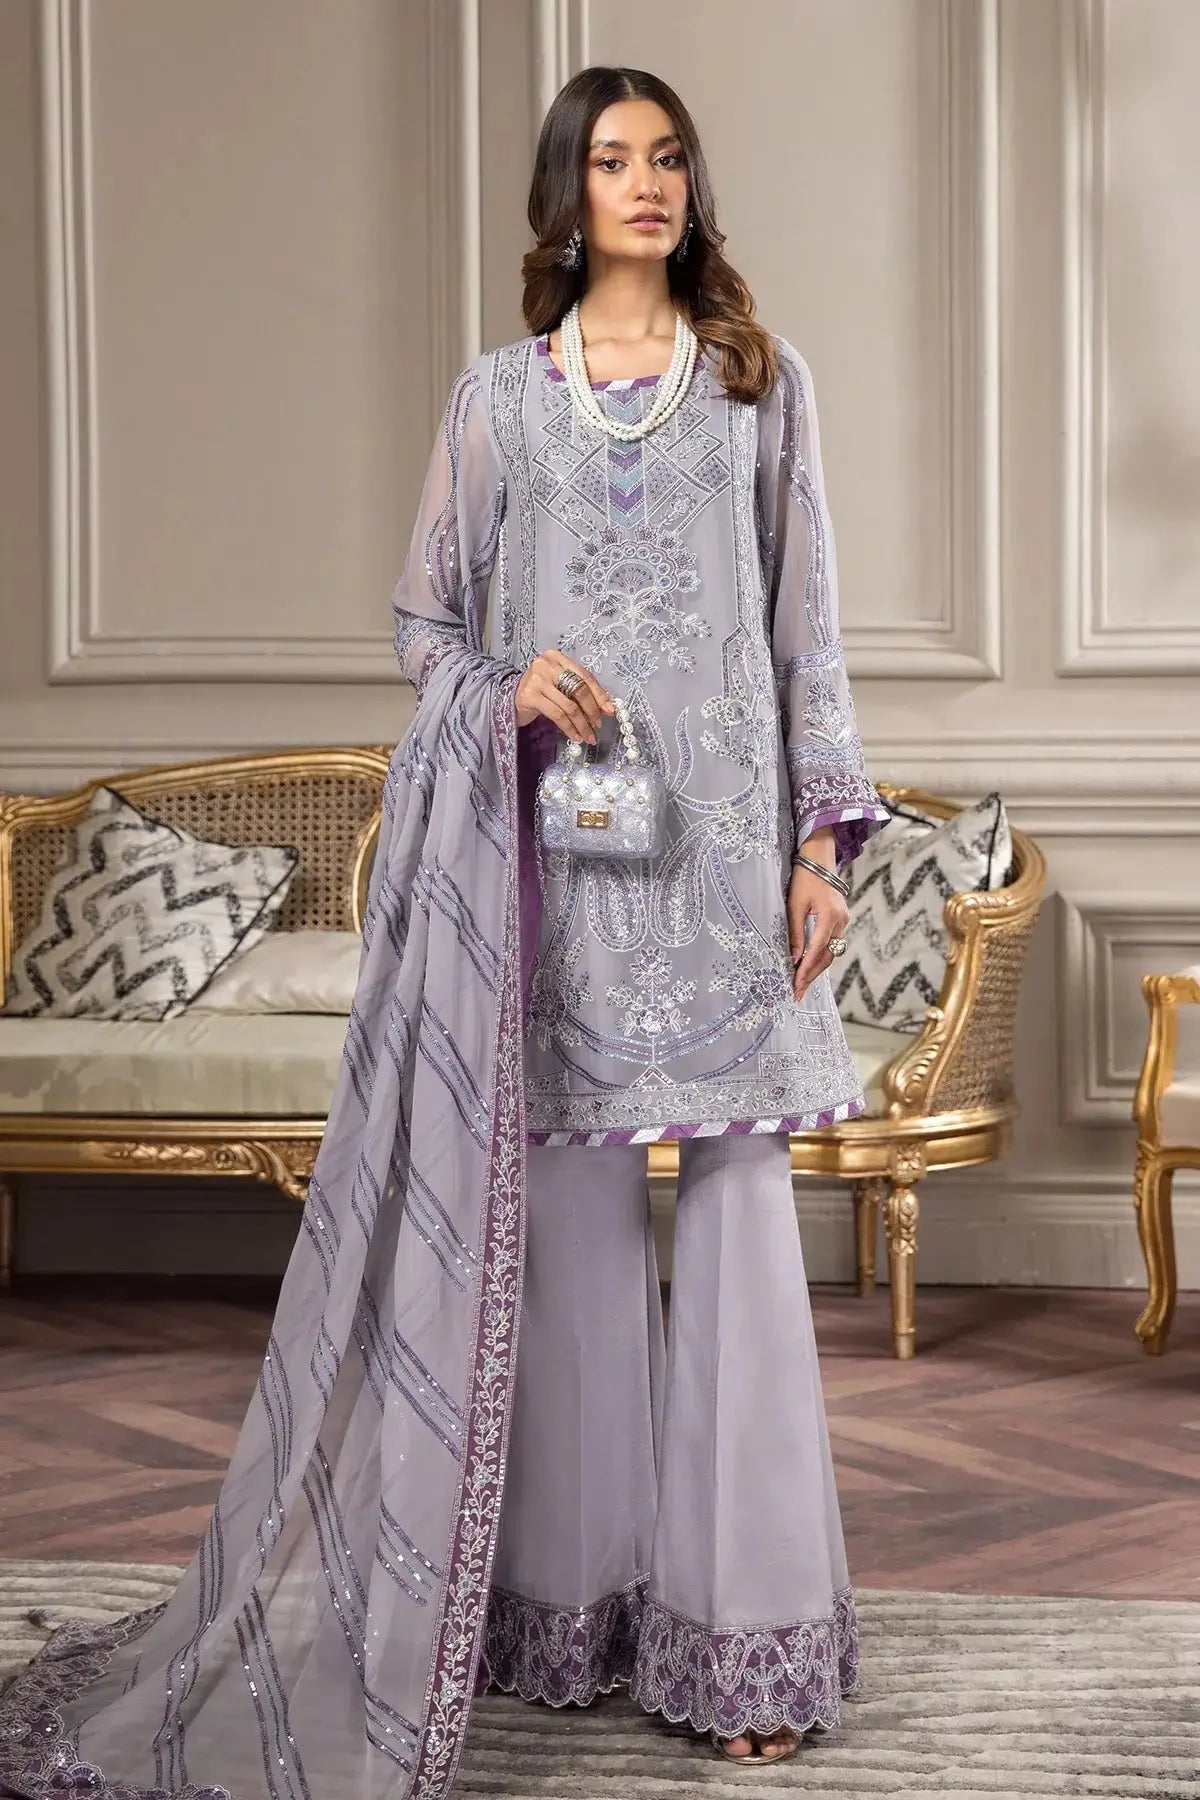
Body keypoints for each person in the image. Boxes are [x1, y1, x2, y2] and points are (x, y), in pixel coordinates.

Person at [0, 64, 889, 1800]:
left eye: (670, 157)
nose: (648, 183)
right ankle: (570, 1619)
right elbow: (423, 624)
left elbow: (812, 632)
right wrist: (508, 683)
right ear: (566, 196)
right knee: (569, 1241)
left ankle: (752, 1638)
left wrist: (821, 845)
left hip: (725, 878)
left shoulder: (755, 387)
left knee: (738, 1237)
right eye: (613, 160)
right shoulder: (499, 402)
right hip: (564, 871)